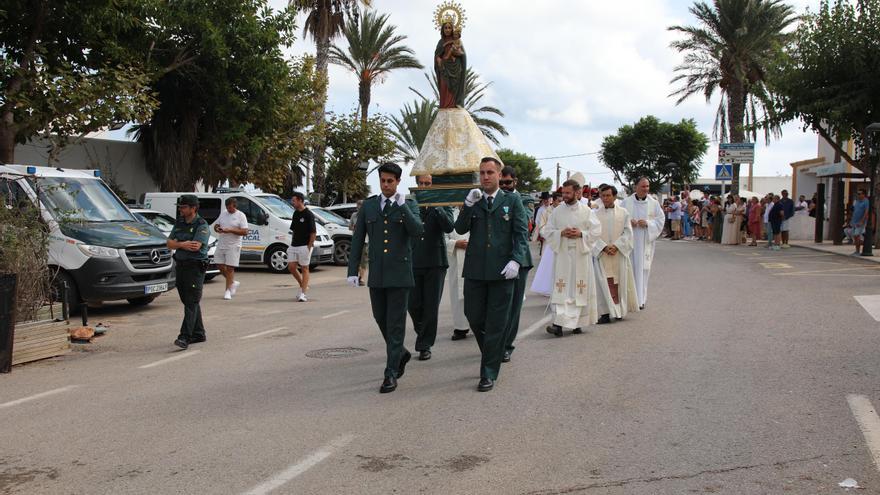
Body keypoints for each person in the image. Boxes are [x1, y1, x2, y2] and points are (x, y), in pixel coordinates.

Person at [347, 162, 423, 394]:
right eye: (383, 181)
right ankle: (400, 353)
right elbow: (358, 239)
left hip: (400, 275)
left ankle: (390, 373)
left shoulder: (408, 204)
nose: (387, 184)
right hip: (377, 274)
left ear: (398, 182)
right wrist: (352, 270)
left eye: (391, 181)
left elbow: (418, 231)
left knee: (396, 324)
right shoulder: (369, 206)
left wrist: (402, 208)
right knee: (380, 317)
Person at [454, 157, 529, 392]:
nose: (485, 177)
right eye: (482, 173)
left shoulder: (512, 200)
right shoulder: (474, 200)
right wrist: (467, 204)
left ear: (498, 175)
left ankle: (487, 372)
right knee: (474, 316)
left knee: (496, 323)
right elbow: (460, 228)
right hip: (476, 270)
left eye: (489, 172)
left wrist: (516, 260)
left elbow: (520, 234)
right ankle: (492, 352)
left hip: (502, 272)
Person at [542, 179, 601, 336]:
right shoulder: (557, 211)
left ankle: (578, 323)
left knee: (578, 289)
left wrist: (581, 234)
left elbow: (596, 231)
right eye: (563, 193)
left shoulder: (586, 211)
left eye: (568, 193)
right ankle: (558, 325)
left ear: (577, 192)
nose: (565, 196)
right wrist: (560, 233)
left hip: (580, 255)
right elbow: (547, 231)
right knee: (562, 289)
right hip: (563, 255)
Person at [408, 175, 455, 361]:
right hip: (413, 260)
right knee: (412, 305)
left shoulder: (444, 203)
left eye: (427, 183)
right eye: (421, 183)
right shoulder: (409, 202)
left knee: (430, 306)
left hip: (436, 262)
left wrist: (437, 207)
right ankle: (423, 332)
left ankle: (424, 344)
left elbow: (449, 226)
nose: (424, 186)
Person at [498, 166, 534, 363]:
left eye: (508, 183)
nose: (504, 187)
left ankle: (506, 345)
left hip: (519, 260)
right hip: (497, 257)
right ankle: (495, 341)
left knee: (513, 306)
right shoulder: (494, 197)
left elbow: (526, 222)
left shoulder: (525, 199)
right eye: (501, 183)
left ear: (515, 182)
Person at [167, 195, 211, 350]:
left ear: (193, 208)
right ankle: (199, 333)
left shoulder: (201, 224)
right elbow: (168, 243)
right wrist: (182, 244)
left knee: (191, 301)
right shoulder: (179, 222)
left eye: (184, 207)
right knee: (188, 300)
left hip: (195, 267)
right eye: (180, 206)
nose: (181, 209)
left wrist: (178, 244)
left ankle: (185, 337)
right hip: (181, 265)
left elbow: (195, 246)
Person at [592, 184, 638, 324]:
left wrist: (617, 246)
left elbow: (628, 232)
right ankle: (605, 313)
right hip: (603, 254)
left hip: (618, 253)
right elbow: (592, 234)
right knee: (603, 283)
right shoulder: (595, 214)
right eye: (602, 195)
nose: (605, 198)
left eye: (607, 195)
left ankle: (619, 311)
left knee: (618, 282)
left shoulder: (623, 213)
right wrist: (603, 247)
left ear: (614, 196)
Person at [621, 178, 665, 310]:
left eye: (647, 186)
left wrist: (648, 224)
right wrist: (629, 221)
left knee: (643, 271)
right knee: (629, 270)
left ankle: (641, 300)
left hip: (645, 241)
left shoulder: (654, 203)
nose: (645, 189)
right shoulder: (626, 202)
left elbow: (660, 220)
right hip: (630, 242)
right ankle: (628, 301)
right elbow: (619, 218)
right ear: (636, 187)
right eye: (643, 186)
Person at [213, 197, 249, 300]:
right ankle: (232, 282)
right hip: (222, 243)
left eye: (230, 208)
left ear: (235, 206)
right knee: (219, 264)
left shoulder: (241, 215)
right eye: (227, 207)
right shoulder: (224, 213)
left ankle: (228, 291)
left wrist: (231, 230)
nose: (229, 210)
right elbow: (216, 225)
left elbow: (245, 232)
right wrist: (218, 229)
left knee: (230, 268)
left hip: (234, 245)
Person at [446, 210, 470, 340]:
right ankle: (461, 327)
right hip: (455, 257)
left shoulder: (478, 208)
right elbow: (441, 236)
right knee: (456, 291)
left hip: (476, 256)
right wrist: (455, 243)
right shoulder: (449, 213)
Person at [530, 191, 561, 296]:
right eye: (559, 201)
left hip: (562, 242)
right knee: (549, 265)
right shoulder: (545, 212)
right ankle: (548, 287)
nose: (560, 203)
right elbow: (541, 226)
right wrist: (550, 235)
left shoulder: (564, 211)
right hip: (550, 242)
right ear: (555, 201)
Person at [287, 192, 316, 302]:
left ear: (300, 200)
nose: (292, 202)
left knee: (305, 268)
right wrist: (292, 242)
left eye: (294, 200)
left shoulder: (309, 214)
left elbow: (313, 232)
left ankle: (303, 294)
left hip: (305, 245)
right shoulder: (295, 214)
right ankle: (302, 285)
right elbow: (294, 230)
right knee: (291, 267)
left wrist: (309, 246)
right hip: (294, 245)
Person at [435, 22, 466, 109]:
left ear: (452, 29)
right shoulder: (441, 42)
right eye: (445, 28)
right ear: (442, 30)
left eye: (449, 28)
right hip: (444, 68)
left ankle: (455, 104)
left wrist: (457, 53)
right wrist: (438, 59)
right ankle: (445, 106)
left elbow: (462, 54)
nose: (447, 30)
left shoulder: (457, 41)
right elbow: (437, 55)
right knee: (444, 86)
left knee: (455, 87)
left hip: (455, 68)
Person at [350, 200, 368, 286]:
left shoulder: (367, 215)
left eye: (361, 206)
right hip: (356, 240)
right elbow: (350, 227)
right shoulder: (354, 215)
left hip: (364, 241)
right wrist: (353, 227)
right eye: (358, 206)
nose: (359, 207)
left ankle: (362, 278)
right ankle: (355, 277)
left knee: (363, 260)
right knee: (355, 259)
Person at [852, 188, 869, 255]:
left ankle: (860, 250)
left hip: (860, 222)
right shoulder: (856, 201)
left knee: (857, 235)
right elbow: (854, 210)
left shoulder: (866, 201)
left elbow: (866, 212)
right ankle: (857, 251)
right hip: (855, 221)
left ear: (863, 194)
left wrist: (862, 221)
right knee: (855, 237)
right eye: (857, 194)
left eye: (859, 194)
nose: (858, 195)